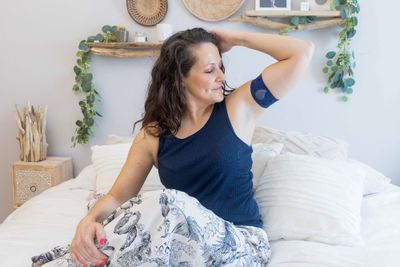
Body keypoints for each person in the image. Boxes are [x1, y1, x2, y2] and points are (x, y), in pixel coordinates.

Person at [69, 28, 314, 266]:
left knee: (170, 201)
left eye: (221, 66)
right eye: (210, 70)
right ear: (180, 79)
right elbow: (117, 196)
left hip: (241, 244)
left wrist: (237, 38)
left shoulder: (240, 107)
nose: (222, 76)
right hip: (179, 242)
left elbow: (302, 52)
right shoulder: (153, 136)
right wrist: (88, 220)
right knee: (94, 248)